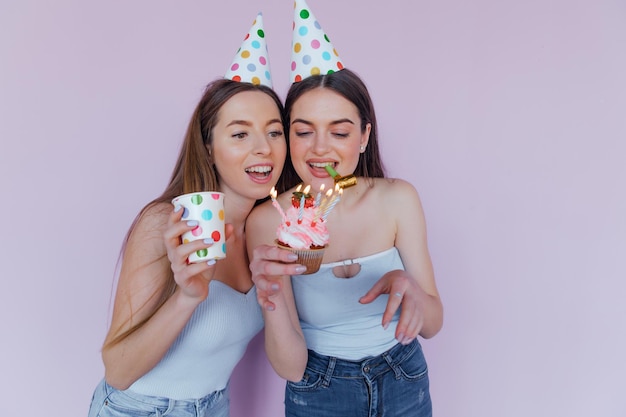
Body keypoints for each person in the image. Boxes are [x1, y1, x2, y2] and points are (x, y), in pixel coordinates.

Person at [245, 2, 443, 416]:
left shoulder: (397, 199)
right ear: (287, 137)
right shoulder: (269, 221)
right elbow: (290, 365)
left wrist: (411, 292)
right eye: (303, 132)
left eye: (339, 131)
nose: (321, 149)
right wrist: (269, 296)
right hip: (318, 389)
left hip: (404, 376)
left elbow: (433, 323)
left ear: (364, 136)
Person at [88, 14, 287, 417]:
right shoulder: (166, 224)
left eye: (274, 131)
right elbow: (119, 369)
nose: (263, 147)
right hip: (139, 409)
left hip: (215, 406)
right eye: (240, 133)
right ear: (209, 148)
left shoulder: (268, 231)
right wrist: (187, 298)